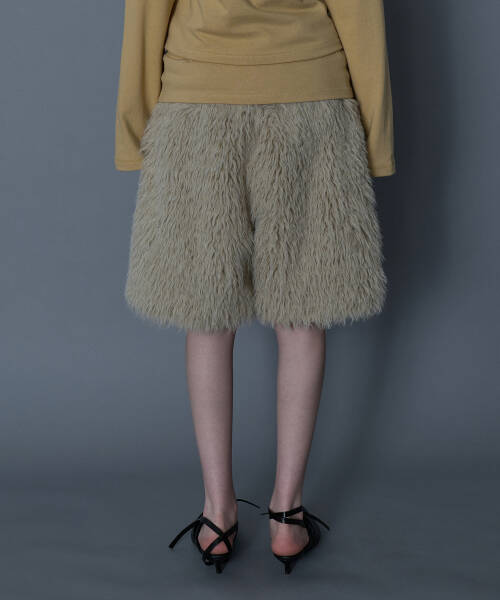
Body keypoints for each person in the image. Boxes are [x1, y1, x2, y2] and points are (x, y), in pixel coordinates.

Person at [115, 0, 395, 575]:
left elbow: (145, 13)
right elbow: (360, 16)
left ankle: (217, 515)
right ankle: (287, 515)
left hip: (198, 101)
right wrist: (377, 140)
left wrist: (133, 131)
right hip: (311, 101)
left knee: (208, 317)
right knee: (303, 312)